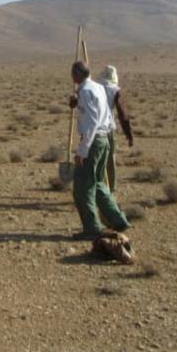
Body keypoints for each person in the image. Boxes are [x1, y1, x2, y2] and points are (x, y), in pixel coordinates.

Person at [69, 61, 130, 237]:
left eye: (72, 73)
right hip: (104, 139)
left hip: (93, 140)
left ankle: (91, 229)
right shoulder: (97, 88)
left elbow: (92, 122)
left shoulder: (87, 91)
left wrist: (82, 150)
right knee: (98, 183)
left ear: (77, 75)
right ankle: (118, 220)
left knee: (83, 187)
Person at [97, 65, 134, 192]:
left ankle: (94, 189)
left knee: (93, 160)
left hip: (91, 129)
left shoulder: (93, 88)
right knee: (109, 160)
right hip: (107, 129)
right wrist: (129, 134)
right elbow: (123, 115)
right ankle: (110, 190)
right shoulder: (115, 91)